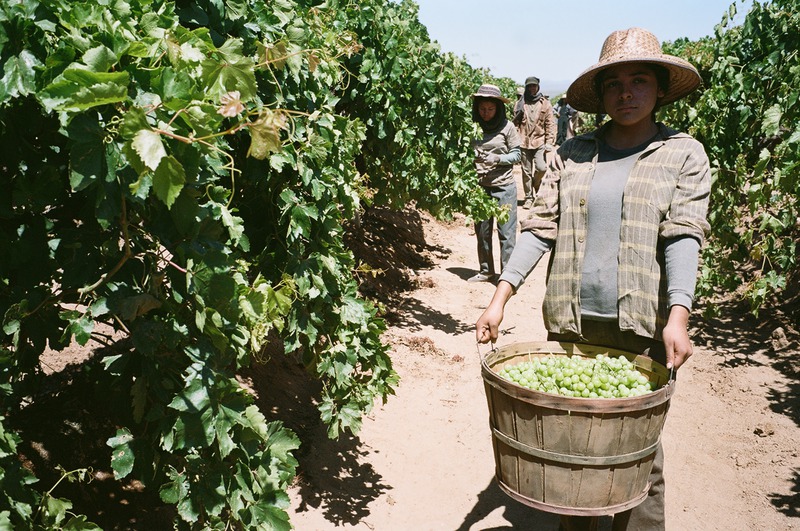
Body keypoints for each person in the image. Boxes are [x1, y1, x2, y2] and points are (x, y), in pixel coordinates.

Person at [476, 27, 711, 531]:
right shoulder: (574, 152)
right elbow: (540, 227)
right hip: (574, 327)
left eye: (639, 80)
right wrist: (500, 297)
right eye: (614, 84)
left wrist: (679, 316)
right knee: (574, 453)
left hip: (639, 329)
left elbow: (683, 236)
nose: (626, 93)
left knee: (637, 458)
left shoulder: (682, 155)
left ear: (661, 88)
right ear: (601, 95)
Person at [468, 83, 521, 283]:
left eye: (490, 109)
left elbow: (517, 154)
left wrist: (498, 159)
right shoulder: (472, 126)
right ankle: (486, 270)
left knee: (506, 232)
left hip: (504, 185)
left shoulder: (508, 127)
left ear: (498, 108)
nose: (486, 113)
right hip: (480, 186)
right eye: (482, 109)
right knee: (482, 231)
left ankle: (508, 275)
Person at [513, 76, 557, 210]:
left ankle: (536, 185)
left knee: (541, 168)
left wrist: (550, 141)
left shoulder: (545, 103)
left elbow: (550, 123)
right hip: (523, 141)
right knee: (525, 171)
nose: (532, 88)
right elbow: (515, 123)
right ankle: (528, 197)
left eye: (534, 86)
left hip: (539, 141)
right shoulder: (521, 103)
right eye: (530, 86)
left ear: (538, 87)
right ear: (526, 88)